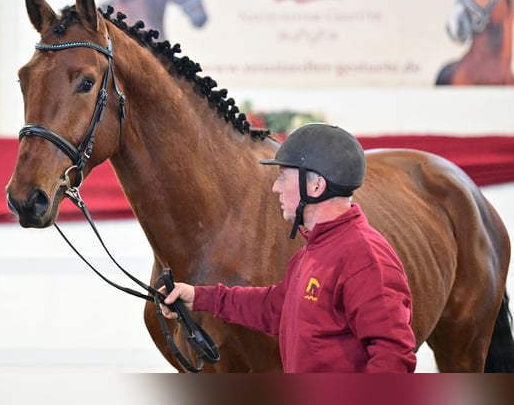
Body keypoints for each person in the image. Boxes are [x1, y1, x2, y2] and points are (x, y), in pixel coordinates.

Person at [161, 122, 417, 373]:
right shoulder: (311, 252)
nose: (275, 187)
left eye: (284, 177)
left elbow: (393, 355)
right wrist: (199, 297)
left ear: (316, 186)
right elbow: (275, 307)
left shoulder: (365, 257)